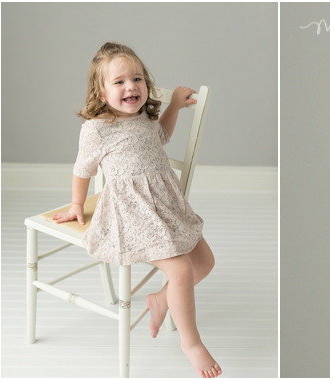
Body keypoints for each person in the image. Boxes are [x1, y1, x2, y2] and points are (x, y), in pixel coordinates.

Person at [52, 42, 221, 378]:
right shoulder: (97, 129)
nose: (131, 87)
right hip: (131, 213)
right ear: (101, 92)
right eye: (119, 82)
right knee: (181, 271)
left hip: (166, 206)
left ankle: (161, 300)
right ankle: (192, 343)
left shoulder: (145, 116)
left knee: (204, 262)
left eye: (137, 79)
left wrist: (173, 105)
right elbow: (81, 170)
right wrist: (75, 205)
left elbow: (162, 135)